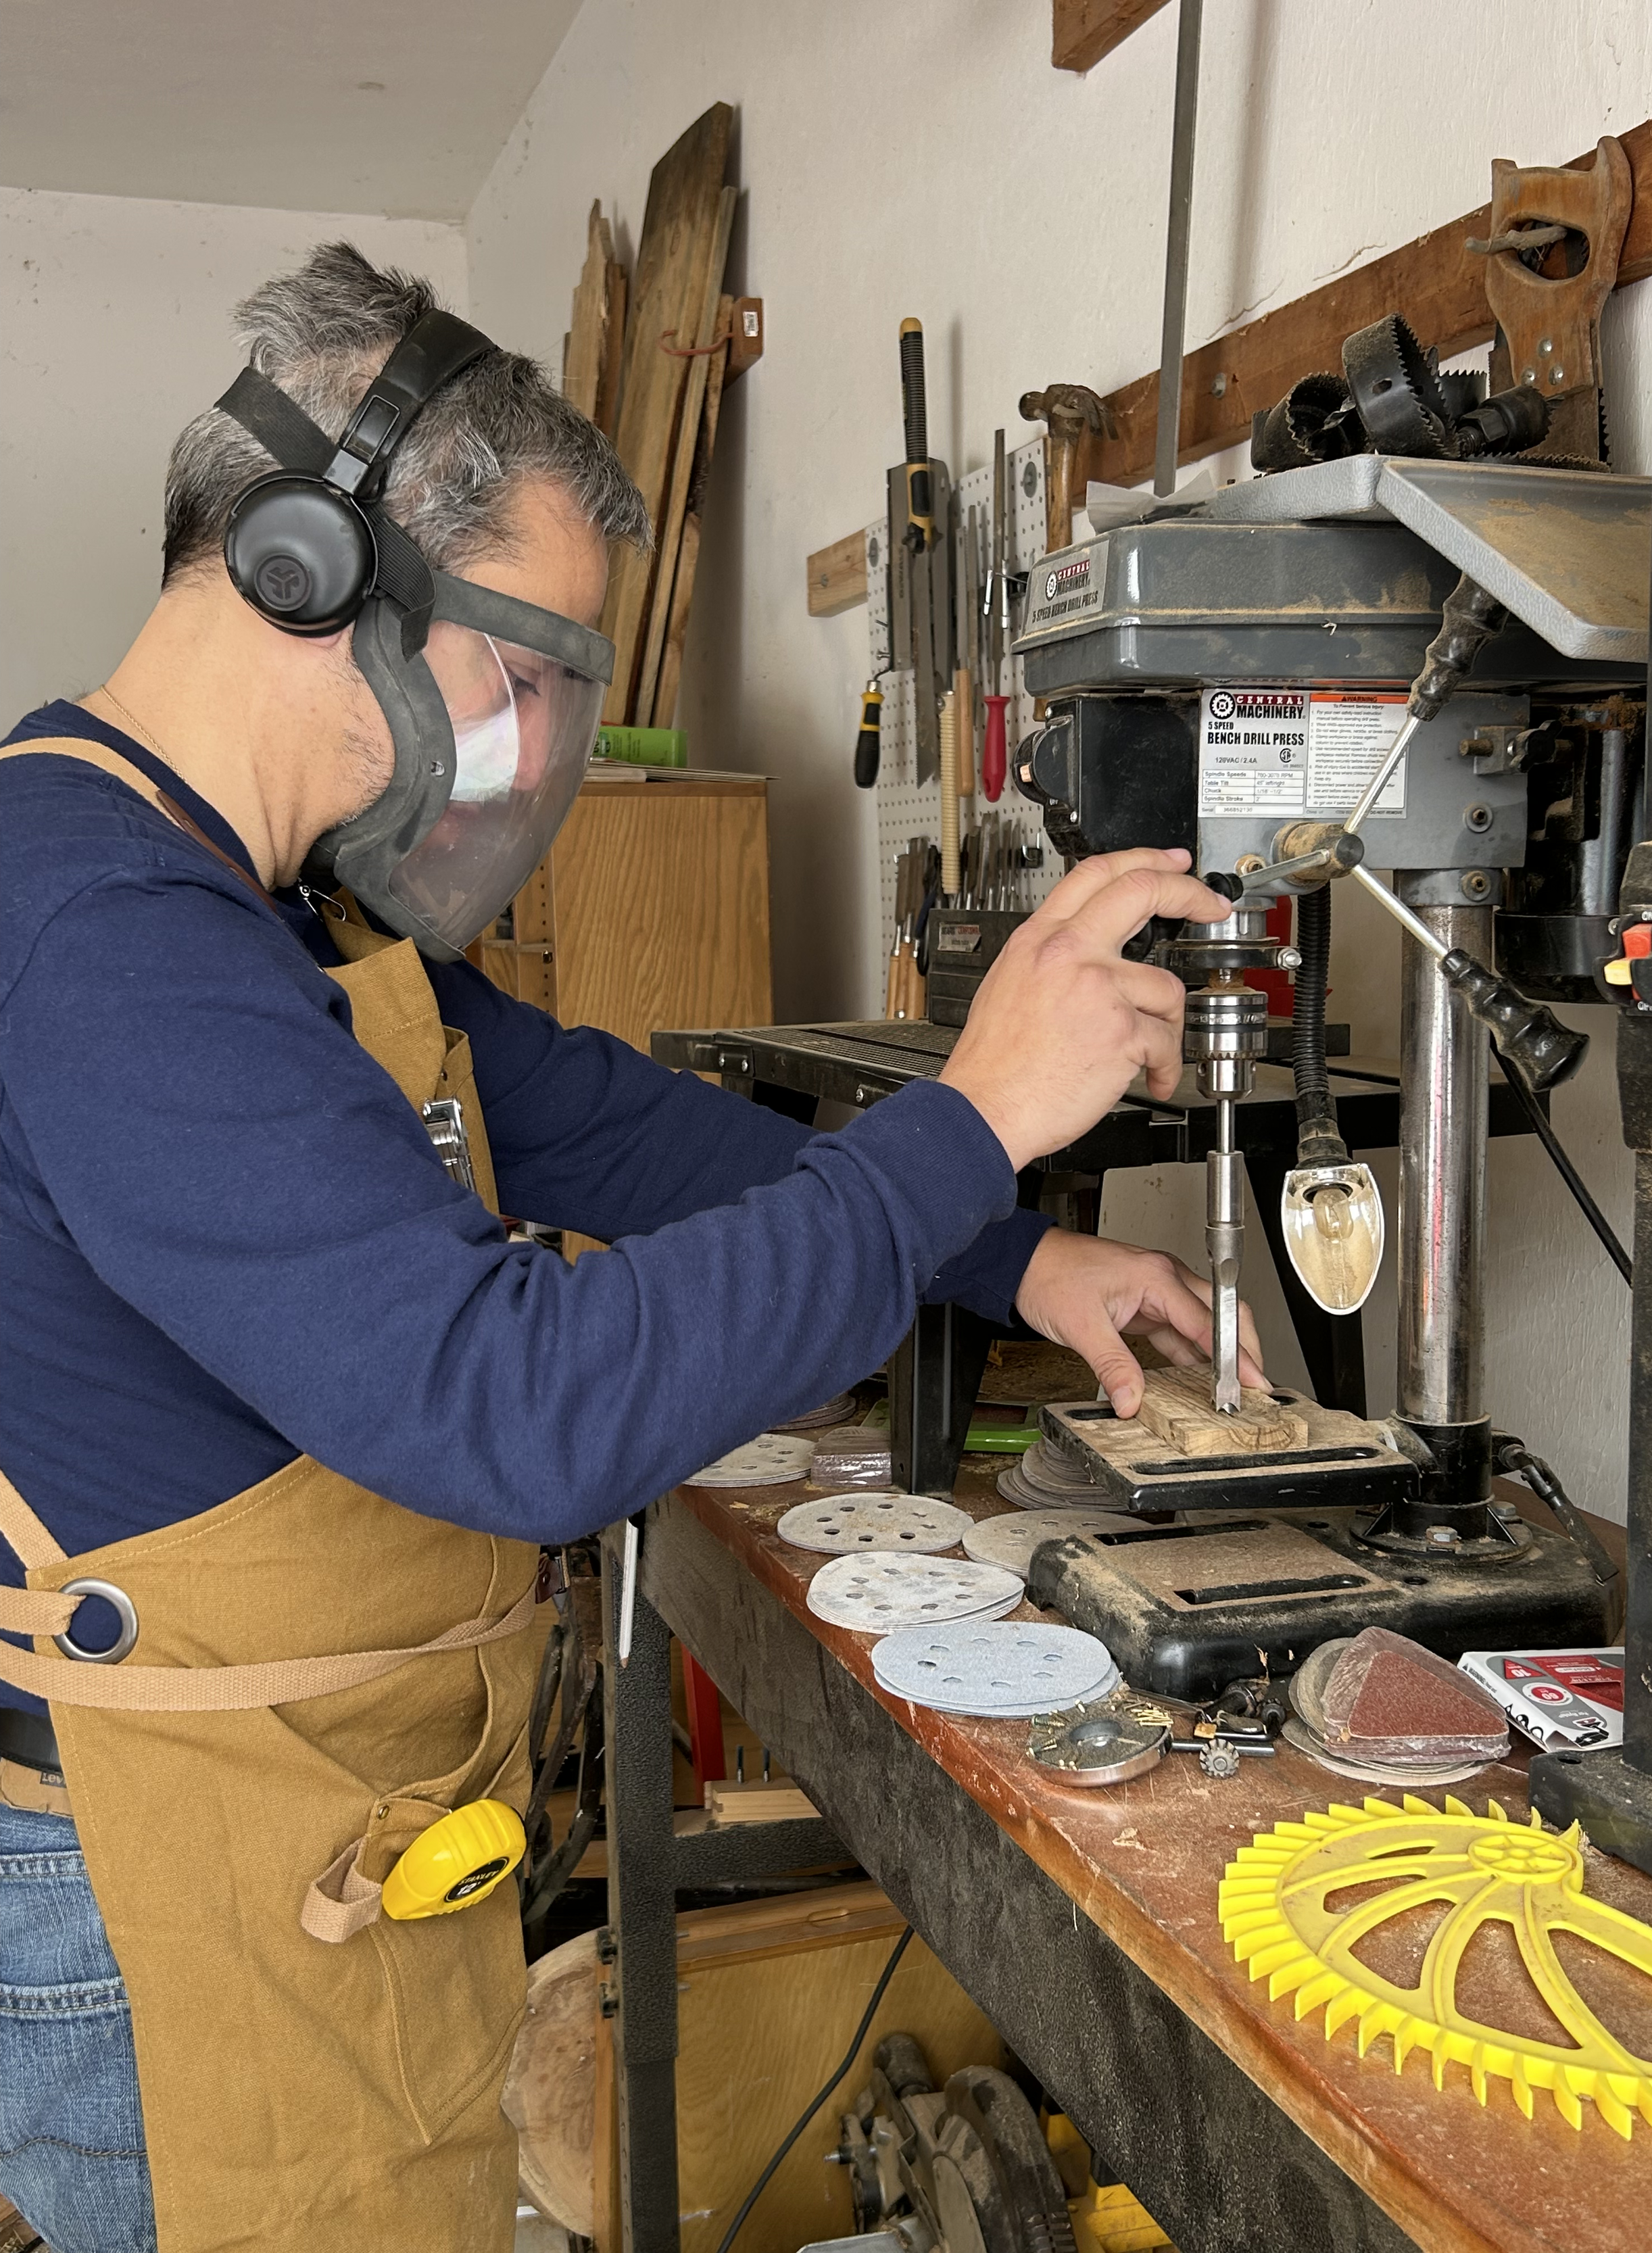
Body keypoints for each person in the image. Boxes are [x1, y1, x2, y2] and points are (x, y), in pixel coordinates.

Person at [0, 243, 1263, 2253]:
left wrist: (1011, 1254)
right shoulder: (102, 929)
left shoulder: (269, 910)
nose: (533, 753)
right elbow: (521, 1405)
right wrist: (964, 1114)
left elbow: (589, 1115)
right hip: (161, 1897)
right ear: (316, 579)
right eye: (523, 673)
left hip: (314, 1817)